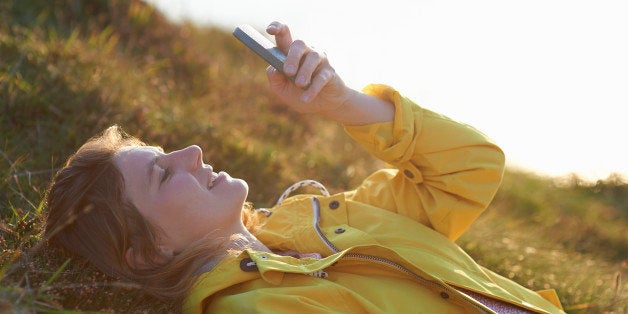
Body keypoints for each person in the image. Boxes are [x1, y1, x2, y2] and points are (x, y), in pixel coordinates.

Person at [45, 21, 565, 313]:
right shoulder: (249, 310)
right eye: (162, 173)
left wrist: (344, 105)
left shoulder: (310, 220)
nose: (194, 154)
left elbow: (471, 169)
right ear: (144, 252)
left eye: (167, 152)